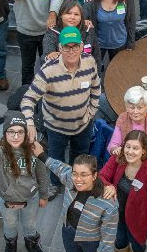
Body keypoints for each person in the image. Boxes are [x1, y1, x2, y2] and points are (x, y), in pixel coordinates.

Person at [45, 152, 119, 252]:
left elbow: (110, 231)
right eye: (75, 174)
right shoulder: (69, 179)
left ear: (94, 175)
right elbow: (56, 166)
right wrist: (40, 153)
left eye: (84, 174)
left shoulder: (108, 200)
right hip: (69, 231)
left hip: (92, 239)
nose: (78, 179)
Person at [21, 26, 101, 165]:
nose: (71, 52)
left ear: (81, 46)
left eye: (75, 47)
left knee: (80, 159)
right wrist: (29, 123)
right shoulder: (47, 71)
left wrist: (92, 112)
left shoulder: (90, 62)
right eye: (66, 47)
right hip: (56, 128)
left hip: (83, 125)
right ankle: (56, 185)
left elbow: (96, 87)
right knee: (56, 160)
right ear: (59, 48)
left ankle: (75, 184)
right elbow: (28, 99)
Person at [0, 114, 54, 252]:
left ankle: (31, 243)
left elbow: (42, 175)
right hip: (7, 200)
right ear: (5, 134)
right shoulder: (1, 150)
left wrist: (44, 195)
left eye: (20, 131)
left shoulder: (34, 150)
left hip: (30, 198)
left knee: (30, 224)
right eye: (11, 131)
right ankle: (11, 245)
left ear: (26, 133)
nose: (16, 136)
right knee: (10, 225)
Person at [84, 0, 136, 68]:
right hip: (99, 44)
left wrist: (131, 43)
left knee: (118, 70)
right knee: (95, 69)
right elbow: (82, 16)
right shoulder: (93, 0)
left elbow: (131, 21)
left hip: (120, 43)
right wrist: (84, 20)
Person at [108, 85, 147, 168]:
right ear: (126, 107)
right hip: (128, 164)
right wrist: (115, 149)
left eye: (140, 107)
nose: (135, 111)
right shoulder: (122, 118)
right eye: (131, 107)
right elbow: (113, 144)